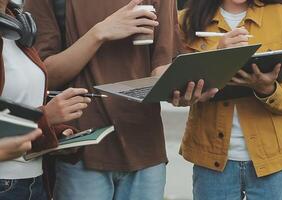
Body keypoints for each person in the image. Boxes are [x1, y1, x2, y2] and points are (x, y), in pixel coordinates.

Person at [24, 0, 179, 199]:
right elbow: (45, 75)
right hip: (80, 152)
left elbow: (164, 65)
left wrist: (183, 89)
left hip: (145, 148)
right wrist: (100, 33)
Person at [175, 0, 282, 199]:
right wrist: (217, 57)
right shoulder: (185, 20)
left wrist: (267, 89)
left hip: (274, 162)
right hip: (211, 162)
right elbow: (175, 90)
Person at [0, 0, 91, 199]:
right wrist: (45, 117)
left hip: (34, 180)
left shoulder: (16, 27)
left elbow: (18, 104)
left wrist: (55, 133)